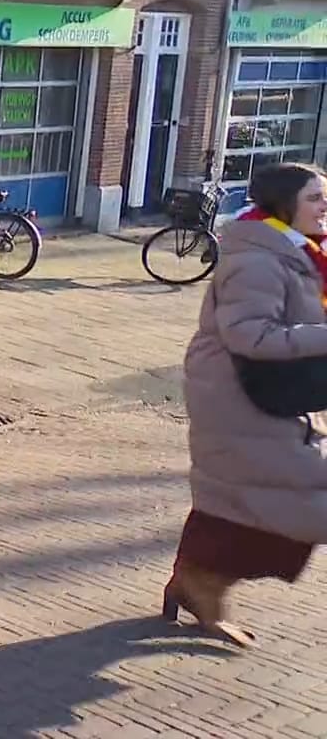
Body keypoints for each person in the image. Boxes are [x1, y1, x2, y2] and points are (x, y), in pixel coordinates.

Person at [167, 162, 327, 647]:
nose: (326, 207)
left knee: (232, 499)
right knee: (300, 500)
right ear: (284, 205)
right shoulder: (257, 258)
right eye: (316, 198)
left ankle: (193, 584)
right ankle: (203, 585)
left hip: (269, 393)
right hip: (237, 394)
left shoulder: (300, 251)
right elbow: (249, 334)